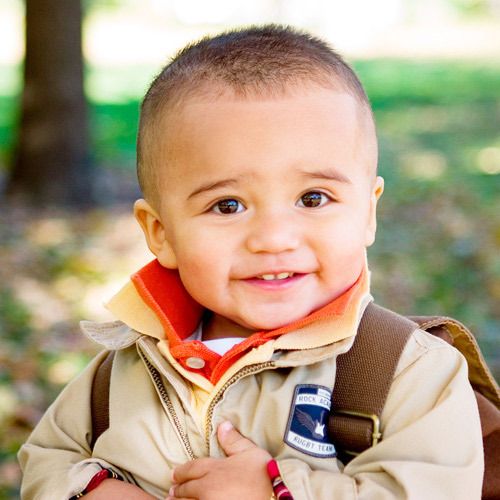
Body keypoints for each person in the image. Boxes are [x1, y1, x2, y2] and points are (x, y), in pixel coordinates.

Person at [18, 25, 484, 499]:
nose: (273, 239)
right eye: (228, 205)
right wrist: (93, 490)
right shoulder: (122, 370)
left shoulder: (407, 372)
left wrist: (275, 493)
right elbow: (48, 459)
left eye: (313, 197)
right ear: (161, 234)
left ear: (368, 211)